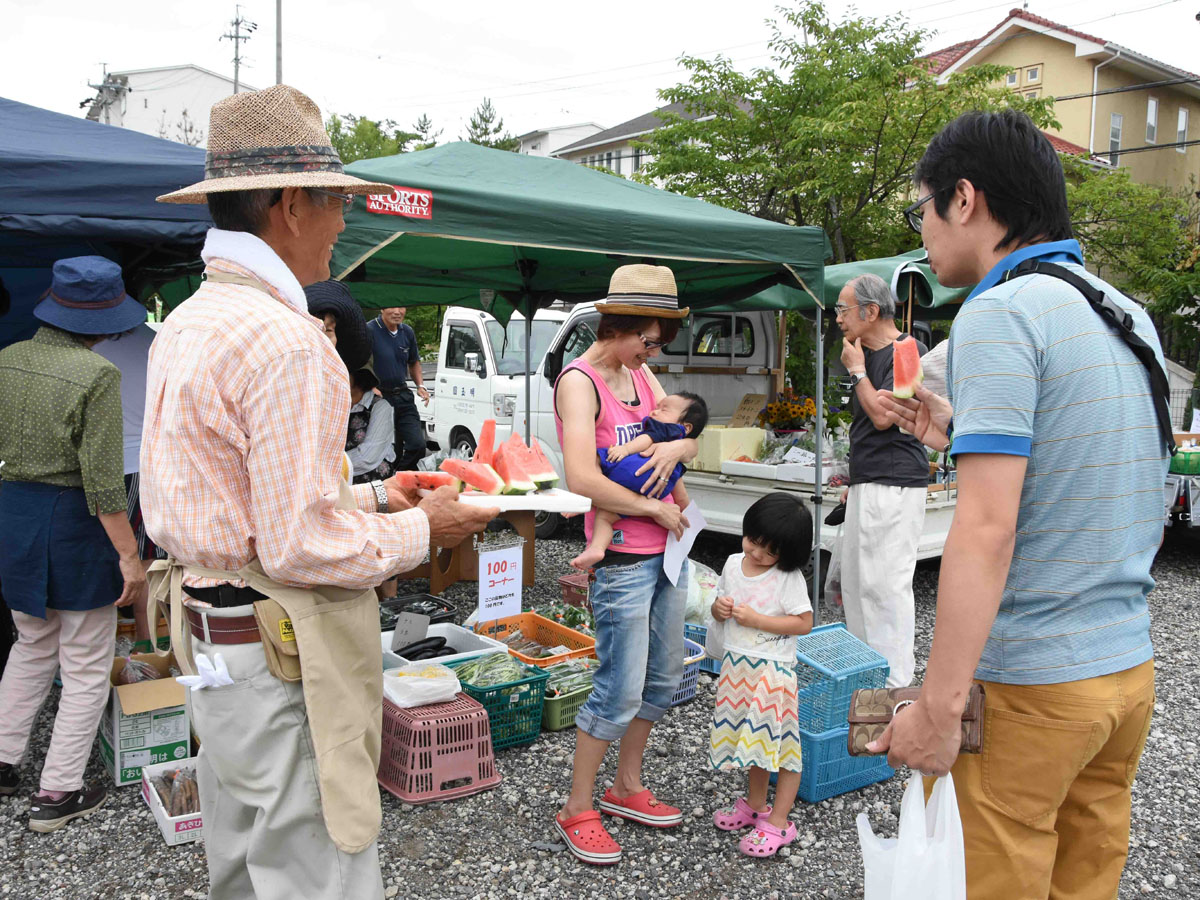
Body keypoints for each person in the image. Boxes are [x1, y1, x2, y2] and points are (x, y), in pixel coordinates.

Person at [143, 85, 496, 900]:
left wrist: (376, 500)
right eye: (337, 202)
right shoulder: (288, 341)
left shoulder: (195, 318)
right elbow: (296, 543)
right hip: (277, 646)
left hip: (214, 631)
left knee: (242, 847)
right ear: (292, 205)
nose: (346, 221)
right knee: (316, 861)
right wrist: (427, 530)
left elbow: (241, 499)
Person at [872, 109, 1167, 899]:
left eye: (922, 208)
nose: (924, 231)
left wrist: (938, 707)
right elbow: (1095, 468)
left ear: (964, 199)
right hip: (1123, 676)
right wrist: (957, 430)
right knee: (1083, 882)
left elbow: (987, 529)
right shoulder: (1123, 312)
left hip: (1033, 684)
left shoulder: (1001, 313)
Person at [552, 264, 697, 866]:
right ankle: (576, 806)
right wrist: (652, 510)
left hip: (670, 555)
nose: (654, 350)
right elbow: (582, 477)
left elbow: (680, 431)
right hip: (624, 559)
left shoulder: (640, 374)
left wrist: (685, 445)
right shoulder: (580, 382)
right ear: (624, 326)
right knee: (617, 688)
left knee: (662, 681)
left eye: (659, 340)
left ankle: (627, 786)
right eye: (651, 337)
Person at [0, 256, 150, 831]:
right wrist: (129, 557)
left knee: (31, 643)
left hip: (15, 512)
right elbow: (105, 484)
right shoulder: (97, 376)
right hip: (75, 522)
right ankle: (58, 792)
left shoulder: (7, 360)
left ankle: (5, 761)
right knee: (87, 662)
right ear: (104, 322)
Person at [835, 273, 929, 688]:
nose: (837, 318)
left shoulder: (907, 351)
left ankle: (893, 689)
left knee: (885, 588)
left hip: (894, 482)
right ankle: (865, 680)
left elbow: (884, 416)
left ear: (871, 311)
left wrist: (857, 372)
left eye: (842, 309)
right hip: (868, 481)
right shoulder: (866, 353)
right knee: (856, 586)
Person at [708, 493, 813, 858]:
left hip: (772, 672)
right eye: (753, 542)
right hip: (738, 669)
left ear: (787, 554)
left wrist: (759, 620)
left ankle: (780, 821)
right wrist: (718, 609)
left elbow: (804, 622)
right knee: (751, 743)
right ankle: (755, 804)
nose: (755, 554)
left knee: (783, 750)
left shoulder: (788, 577)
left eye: (767, 552)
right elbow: (719, 606)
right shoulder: (733, 564)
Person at [570, 391, 708, 570]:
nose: (654, 412)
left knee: (595, 459)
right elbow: (681, 497)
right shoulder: (677, 452)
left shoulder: (665, 428)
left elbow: (646, 439)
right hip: (657, 487)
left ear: (686, 427)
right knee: (606, 516)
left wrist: (626, 449)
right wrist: (687, 521)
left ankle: (595, 543)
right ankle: (596, 546)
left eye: (663, 409)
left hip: (633, 470)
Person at [95, 321, 165, 643]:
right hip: (157, 463)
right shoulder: (157, 339)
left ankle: (144, 648)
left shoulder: (92, 348)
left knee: (136, 563)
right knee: (153, 562)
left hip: (120, 466)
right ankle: (157, 648)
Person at [367, 306, 430, 471]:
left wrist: (420, 385)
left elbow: (414, 361)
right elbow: (359, 362)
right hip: (380, 397)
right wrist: (371, 386)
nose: (397, 312)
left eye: (401, 308)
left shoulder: (407, 331)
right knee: (389, 448)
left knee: (417, 445)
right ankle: (388, 480)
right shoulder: (369, 330)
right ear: (381, 308)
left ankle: (398, 476)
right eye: (392, 307)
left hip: (403, 394)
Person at [346, 367, 396, 483]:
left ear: (360, 377)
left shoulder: (380, 406)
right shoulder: (333, 405)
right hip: (339, 479)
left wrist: (329, 466)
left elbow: (368, 457)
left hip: (372, 480)